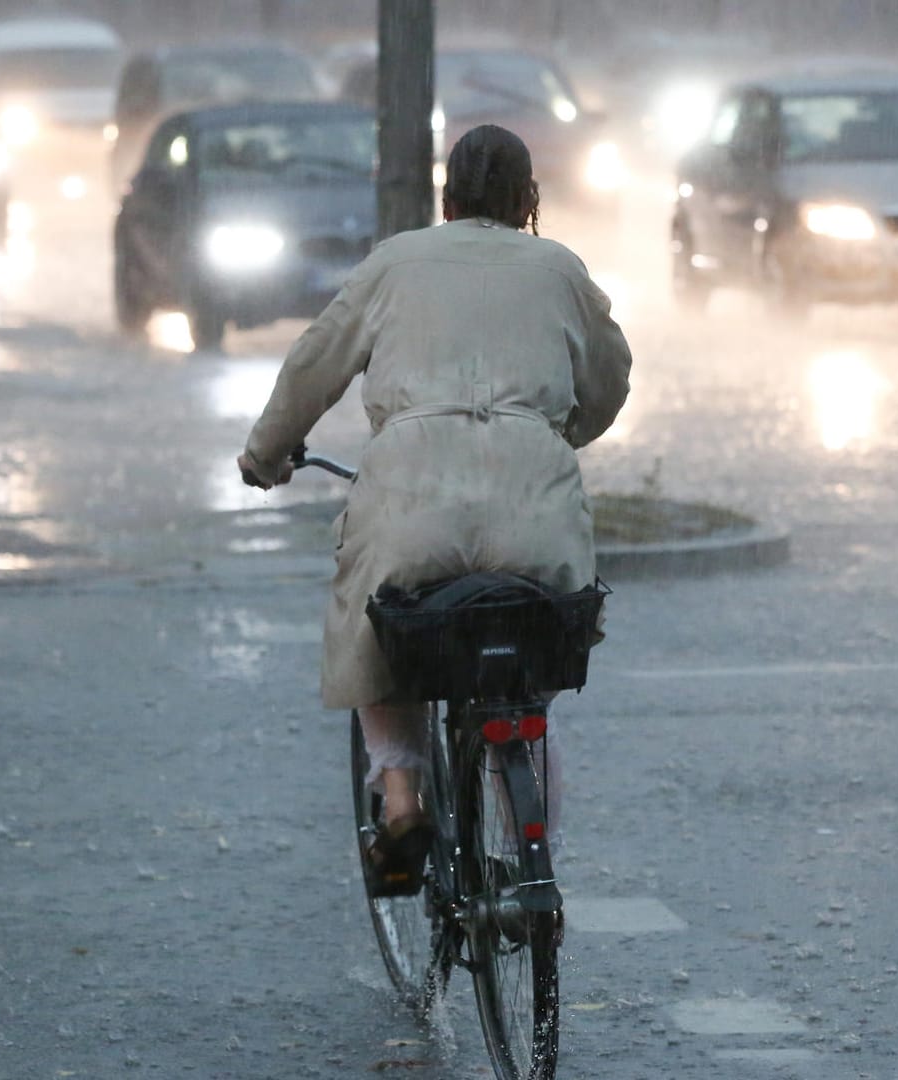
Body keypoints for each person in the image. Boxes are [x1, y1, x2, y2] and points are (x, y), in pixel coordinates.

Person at [236, 124, 632, 892]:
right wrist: (555, 434)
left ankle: (401, 799)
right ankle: (529, 849)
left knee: (378, 635)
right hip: (534, 510)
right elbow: (610, 378)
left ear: (447, 199)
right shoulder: (559, 268)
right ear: (530, 201)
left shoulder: (396, 262)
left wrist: (265, 454)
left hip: (411, 501)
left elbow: (315, 363)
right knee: (530, 662)